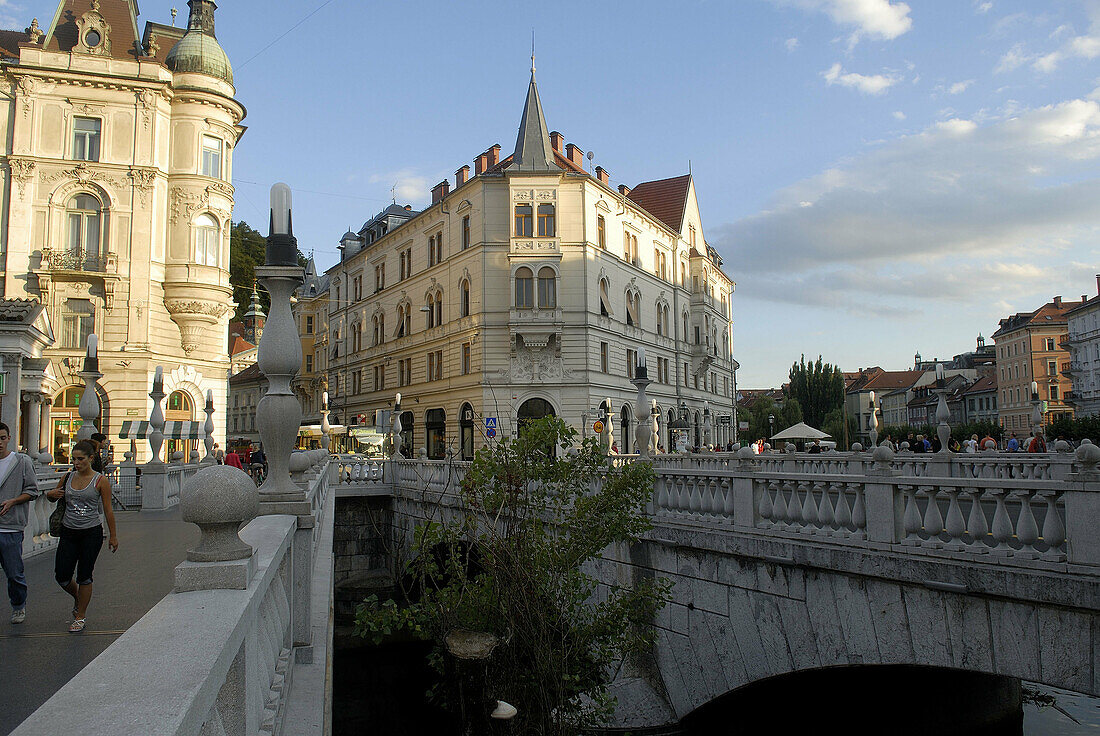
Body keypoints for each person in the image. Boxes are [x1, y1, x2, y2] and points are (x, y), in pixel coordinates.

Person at [46, 439, 118, 633]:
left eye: (80, 459)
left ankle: (80, 615)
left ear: (91, 459)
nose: (76, 463)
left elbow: (108, 510)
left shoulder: (100, 481)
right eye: (74, 459)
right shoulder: (68, 477)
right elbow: (53, 496)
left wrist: (113, 536)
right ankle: (79, 597)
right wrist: (51, 494)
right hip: (69, 532)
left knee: (85, 575)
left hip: (91, 533)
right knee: (62, 576)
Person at [0, 423, 40, 624]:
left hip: (10, 527)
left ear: (8, 438)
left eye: (2, 438)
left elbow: (32, 491)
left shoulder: (21, 462)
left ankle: (18, 606)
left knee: (14, 572)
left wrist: (13, 501)